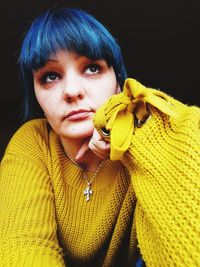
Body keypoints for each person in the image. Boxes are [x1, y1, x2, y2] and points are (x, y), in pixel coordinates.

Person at [0, 6, 199, 267]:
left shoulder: (150, 133)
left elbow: (187, 250)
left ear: (118, 82)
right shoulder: (33, 141)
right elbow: (23, 247)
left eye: (92, 68)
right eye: (50, 76)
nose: (72, 91)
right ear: (36, 94)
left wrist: (138, 141)